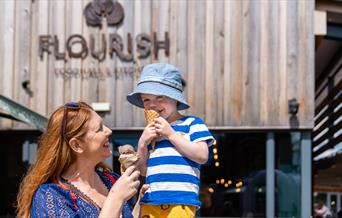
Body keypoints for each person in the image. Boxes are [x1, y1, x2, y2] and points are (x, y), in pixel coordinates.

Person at [16, 102, 146, 218]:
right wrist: (115, 199)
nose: (109, 131)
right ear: (76, 145)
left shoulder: (111, 179)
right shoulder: (50, 197)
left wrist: (141, 202)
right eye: (99, 129)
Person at [127, 63, 215, 218]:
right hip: (150, 199)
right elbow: (143, 171)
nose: (152, 104)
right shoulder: (150, 132)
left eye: (160, 97)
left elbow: (202, 156)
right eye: (146, 99)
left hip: (180, 200)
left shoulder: (192, 124)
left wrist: (171, 135)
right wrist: (142, 144)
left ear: (175, 98)